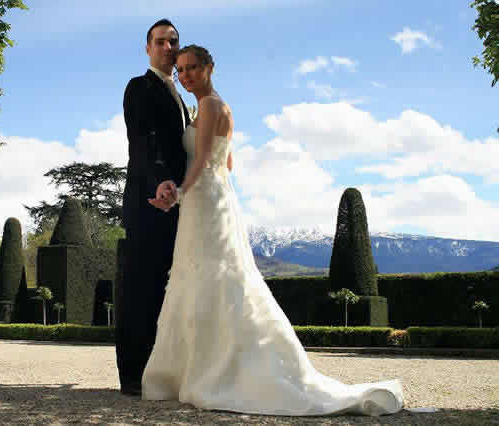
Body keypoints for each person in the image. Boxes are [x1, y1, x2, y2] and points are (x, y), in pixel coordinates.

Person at [143, 45, 404, 416]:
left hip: (204, 198)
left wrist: (181, 194)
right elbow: (227, 162)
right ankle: (210, 366)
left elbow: (201, 160)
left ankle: (212, 370)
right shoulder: (213, 107)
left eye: (192, 68)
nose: (185, 75)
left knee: (208, 275)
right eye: (181, 70)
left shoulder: (212, 106)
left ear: (210, 68)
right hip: (214, 197)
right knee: (212, 275)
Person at [117, 19, 191, 396]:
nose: (167, 47)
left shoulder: (183, 99)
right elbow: (143, 141)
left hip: (180, 205)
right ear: (148, 48)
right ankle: (132, 376)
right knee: (140, 288)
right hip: (149, 201)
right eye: (160, 41)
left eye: (173, 41)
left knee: (170, 290)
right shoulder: (139, 87)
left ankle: (163, 372)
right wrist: (160, 180)